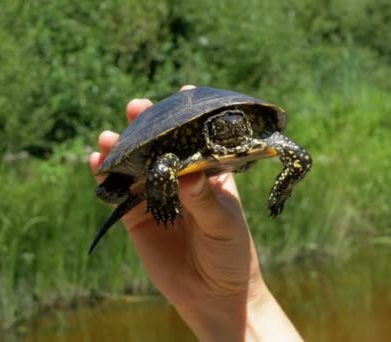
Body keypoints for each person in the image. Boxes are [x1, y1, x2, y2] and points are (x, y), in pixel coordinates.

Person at [88, 85, 303, 341]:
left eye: (240, 124)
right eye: (223, 128)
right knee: (129, 182)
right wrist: (161, 201)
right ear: (210, 130)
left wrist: (283, 188)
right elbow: (161, 166)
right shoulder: (181, 146)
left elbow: (300, 157)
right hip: (167, 154)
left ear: (247, 124)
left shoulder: (260, 130)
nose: (233, 130)